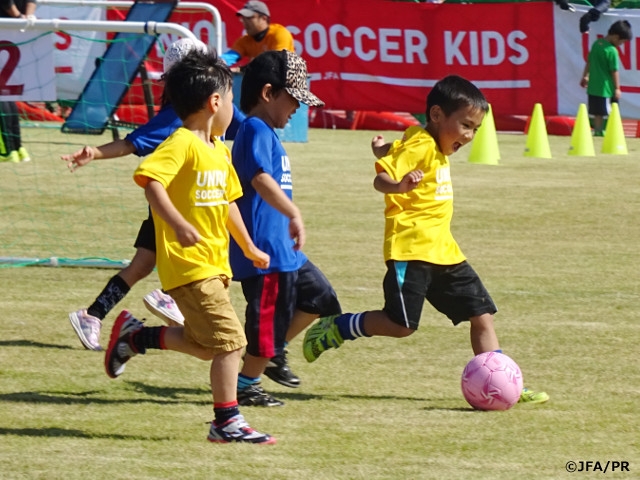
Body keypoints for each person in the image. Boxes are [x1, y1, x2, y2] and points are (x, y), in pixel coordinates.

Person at [302, 75, 549, 406]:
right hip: (412, 250)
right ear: (436, 115)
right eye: (465, 125)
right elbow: (381, 179)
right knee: (401, 325)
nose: (469, 136)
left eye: (475, 129)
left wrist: (384, 149)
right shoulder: (421, 144)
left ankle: (505, 382)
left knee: (482, 315)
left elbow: (400, 148)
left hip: (445, 252)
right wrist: (399, 186)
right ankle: (340, 326)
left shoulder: (425, 140)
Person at [107, 48, 275, 444]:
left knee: (205, 346)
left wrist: (248, 246)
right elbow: (151, 182)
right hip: (189, 267)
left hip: (216, 267)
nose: (234, 108)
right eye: (232, 99)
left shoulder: (218, 149)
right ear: (215, 102)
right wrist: (178, 224)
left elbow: (229, 203)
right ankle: (226, 422)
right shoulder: (181, 143)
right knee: (233, 342)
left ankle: (135, 338)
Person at [63, 38, 246, 351]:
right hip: (178, 210)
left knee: (141, 265)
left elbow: (243, 126)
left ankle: (95, 315)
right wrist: (94, 151)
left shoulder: (205, 111)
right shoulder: (180, 119)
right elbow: (132, 144)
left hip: (196, 204)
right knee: (166, 267)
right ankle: (166, 297)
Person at [229, 50, 341, 407]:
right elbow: (260, 178)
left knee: (321, 297)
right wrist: (293, 211)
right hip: (266, 254)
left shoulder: (268, 131)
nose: (297, 108)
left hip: (285, 251)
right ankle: (247, 383)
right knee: (264, 326)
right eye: (293, 98)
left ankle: (273, 351)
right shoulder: (253, 129)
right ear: (267, 93)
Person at [579, 19, 632, 136]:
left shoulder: (596, 44)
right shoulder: (612, 50)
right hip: (605, 87)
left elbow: (589, 62)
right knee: (608, 110)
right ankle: (605, 131)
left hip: (593, 86)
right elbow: (614, 71)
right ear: (616, 37)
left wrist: (585, 76)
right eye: (622, 42)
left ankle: (598, 130)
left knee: (597, 112)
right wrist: (617, 88)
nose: (621, 45)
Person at [0, 0, 36, 163]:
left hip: (7, 25)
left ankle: (7, 150)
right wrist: (27, 18)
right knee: (6, 93)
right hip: (14, 31)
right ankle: (17, 147)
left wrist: (20, 17)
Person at [220, 1, 294, 69]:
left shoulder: (280, 34)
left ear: (264, 18)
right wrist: (216, 64)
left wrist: (242, 69)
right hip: (262, 80)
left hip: (286, 81)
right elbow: (228, 57)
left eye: (249, 18)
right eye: (243, 18)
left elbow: (276, 63)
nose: (245, 22)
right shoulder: (245, 40)